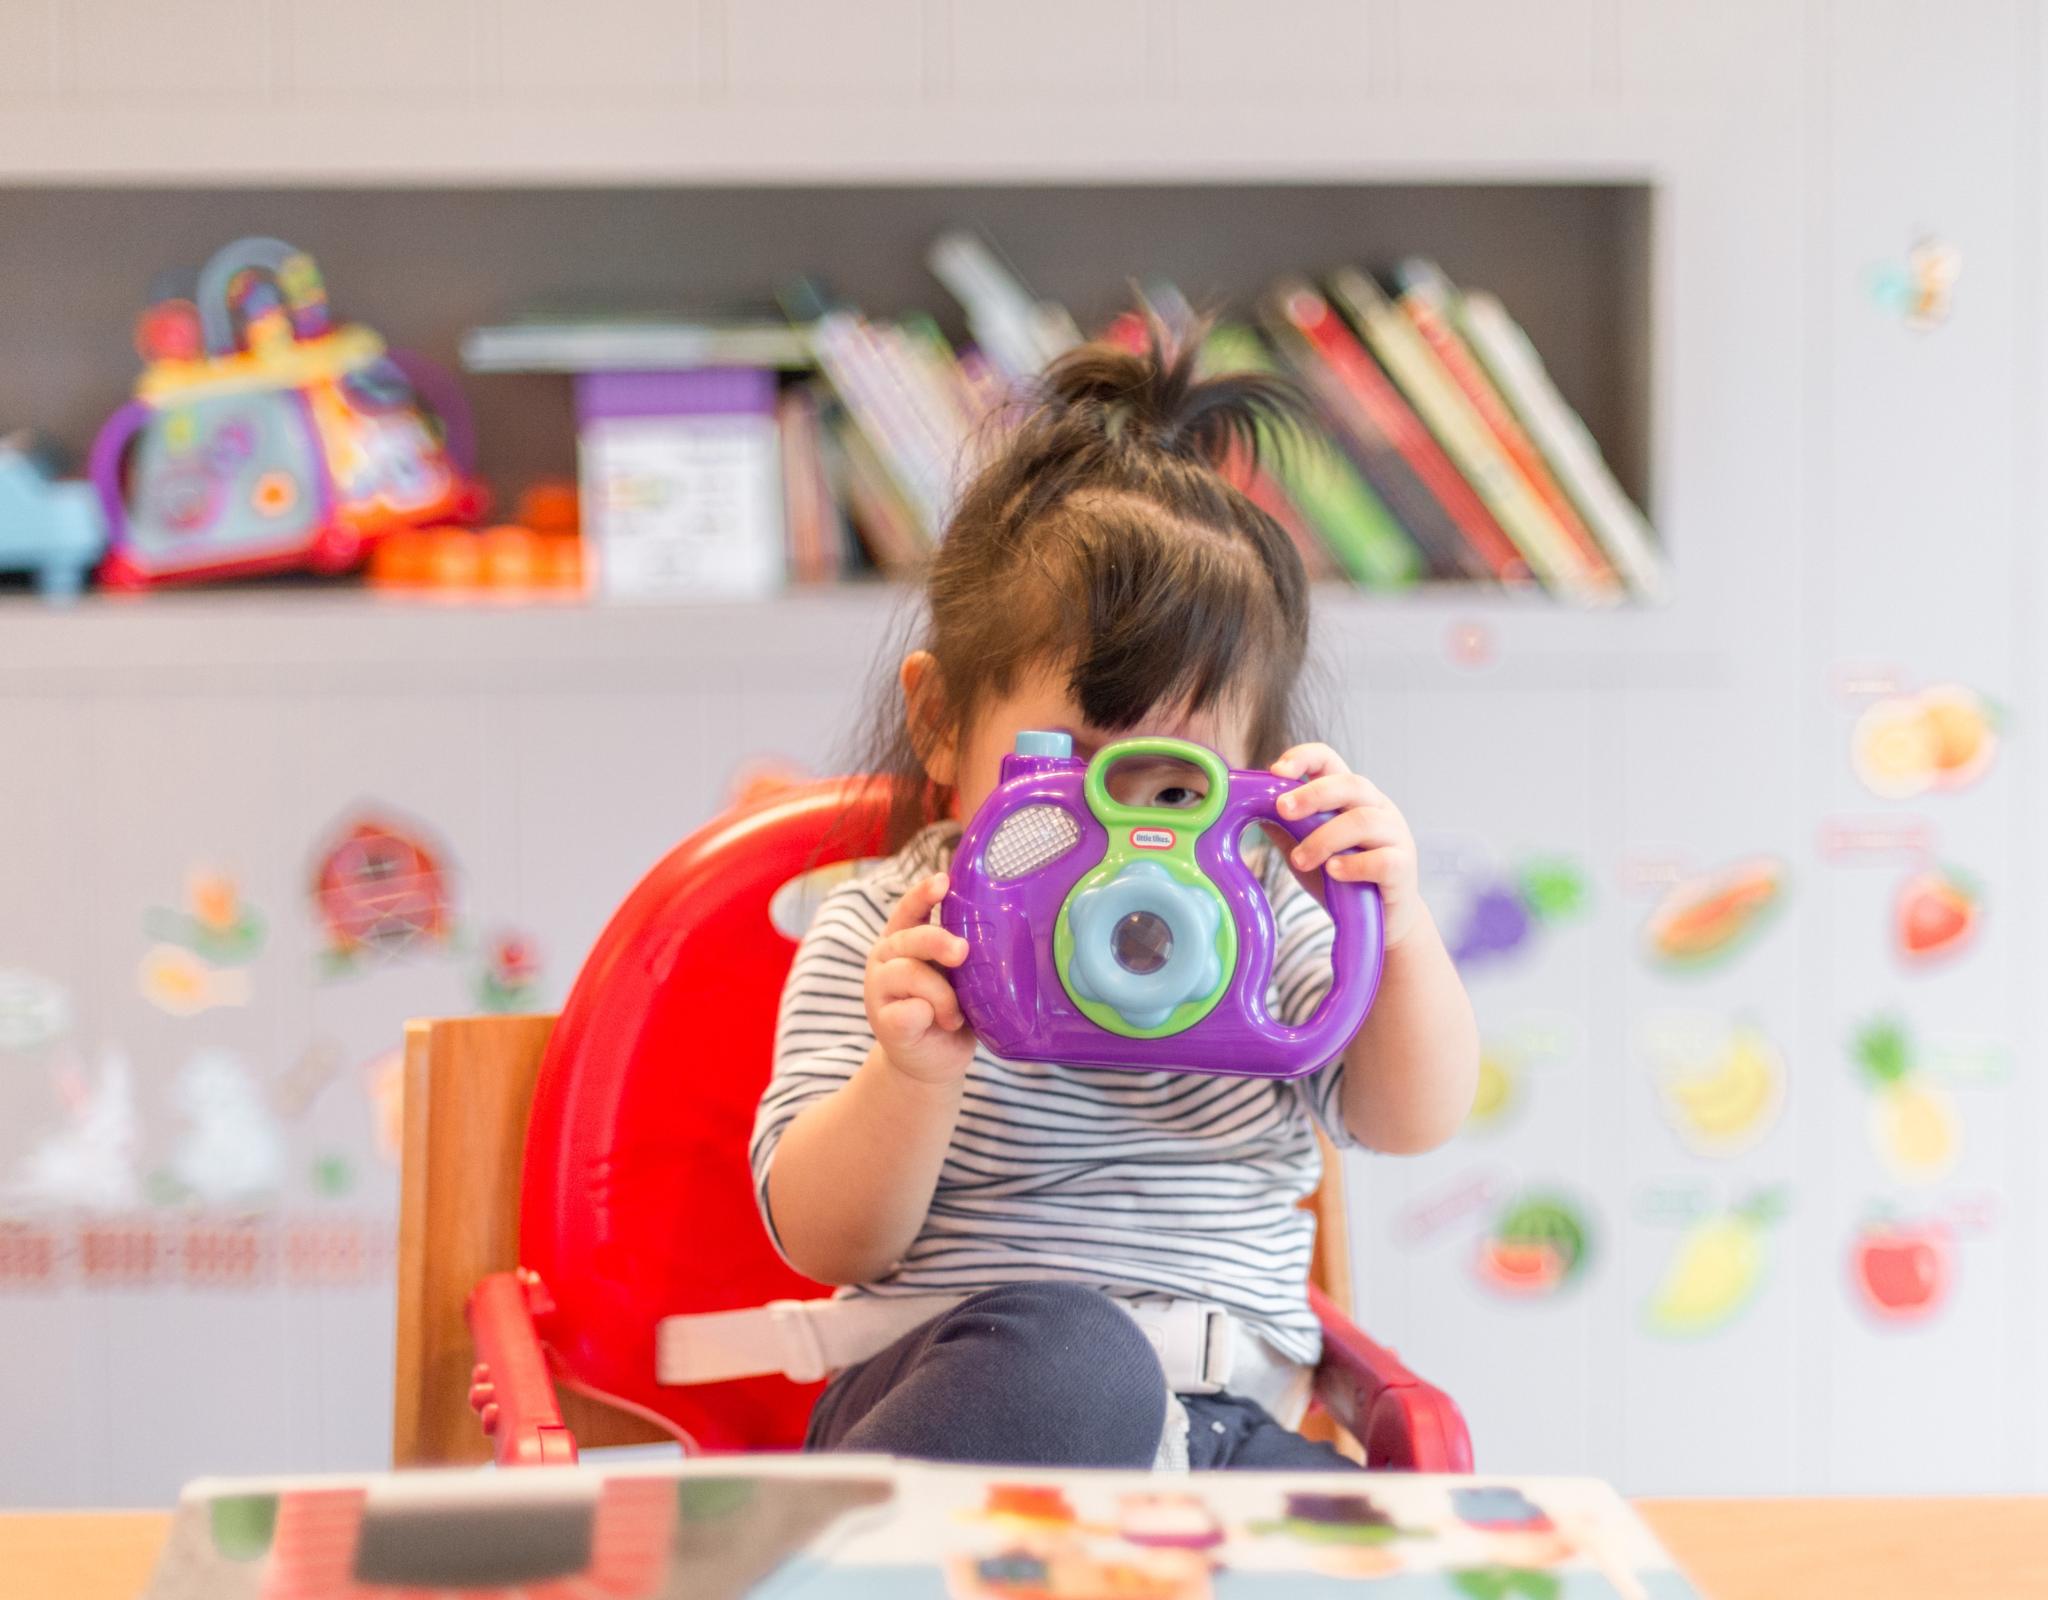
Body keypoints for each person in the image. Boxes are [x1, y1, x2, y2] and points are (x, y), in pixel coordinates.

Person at [750, 318, 1479, 1470]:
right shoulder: (896, 932)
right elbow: (821, 1232)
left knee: (1379, 1545)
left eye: (1168, 781)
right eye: (1072, 765)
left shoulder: (1263, 920)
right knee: (1074, 1363)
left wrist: (1391, 928)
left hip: (1227, 1424)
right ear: (942, 722)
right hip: (977, 1398)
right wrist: (911, 1072)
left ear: (1248, 772)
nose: (1119, 832)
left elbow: (1410, 1116)